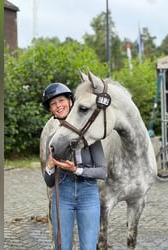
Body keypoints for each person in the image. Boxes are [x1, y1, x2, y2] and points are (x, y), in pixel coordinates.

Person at [42, 82, 107, 250]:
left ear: (71, 102)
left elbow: (103, 171)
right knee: (61, 245)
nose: (58, 106)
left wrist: (76, 170)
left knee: (88, 247)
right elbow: (49, 182)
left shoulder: (90, 135)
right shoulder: (52, 140)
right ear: (51, 110)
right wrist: (49, 165)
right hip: (63, 193)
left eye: (61, 101)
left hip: (88, 193)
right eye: (53, 104)